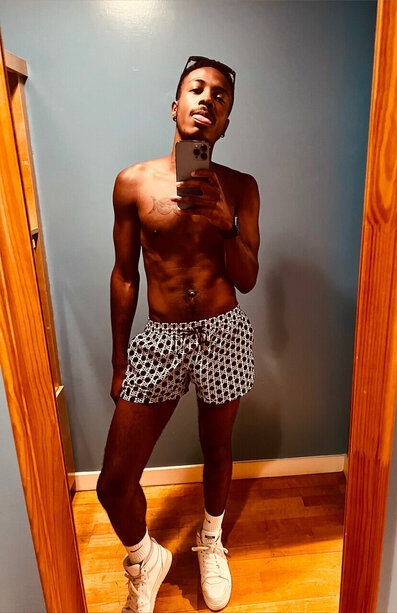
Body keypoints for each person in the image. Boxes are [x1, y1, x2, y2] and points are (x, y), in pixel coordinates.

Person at [96, 56, 260, 613]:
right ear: (175, 106)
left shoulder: (241, 187)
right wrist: (120, 361)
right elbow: (124, 276)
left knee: (218, 447)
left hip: (224, 329)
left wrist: (226, 224)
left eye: (220, 96)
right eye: (197, 88)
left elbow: (248, 278)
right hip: (161, 337)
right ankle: (146, 558)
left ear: (225, 123)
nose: (208, 99)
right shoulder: (132, 183)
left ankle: (211, 539)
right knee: (114, 481)